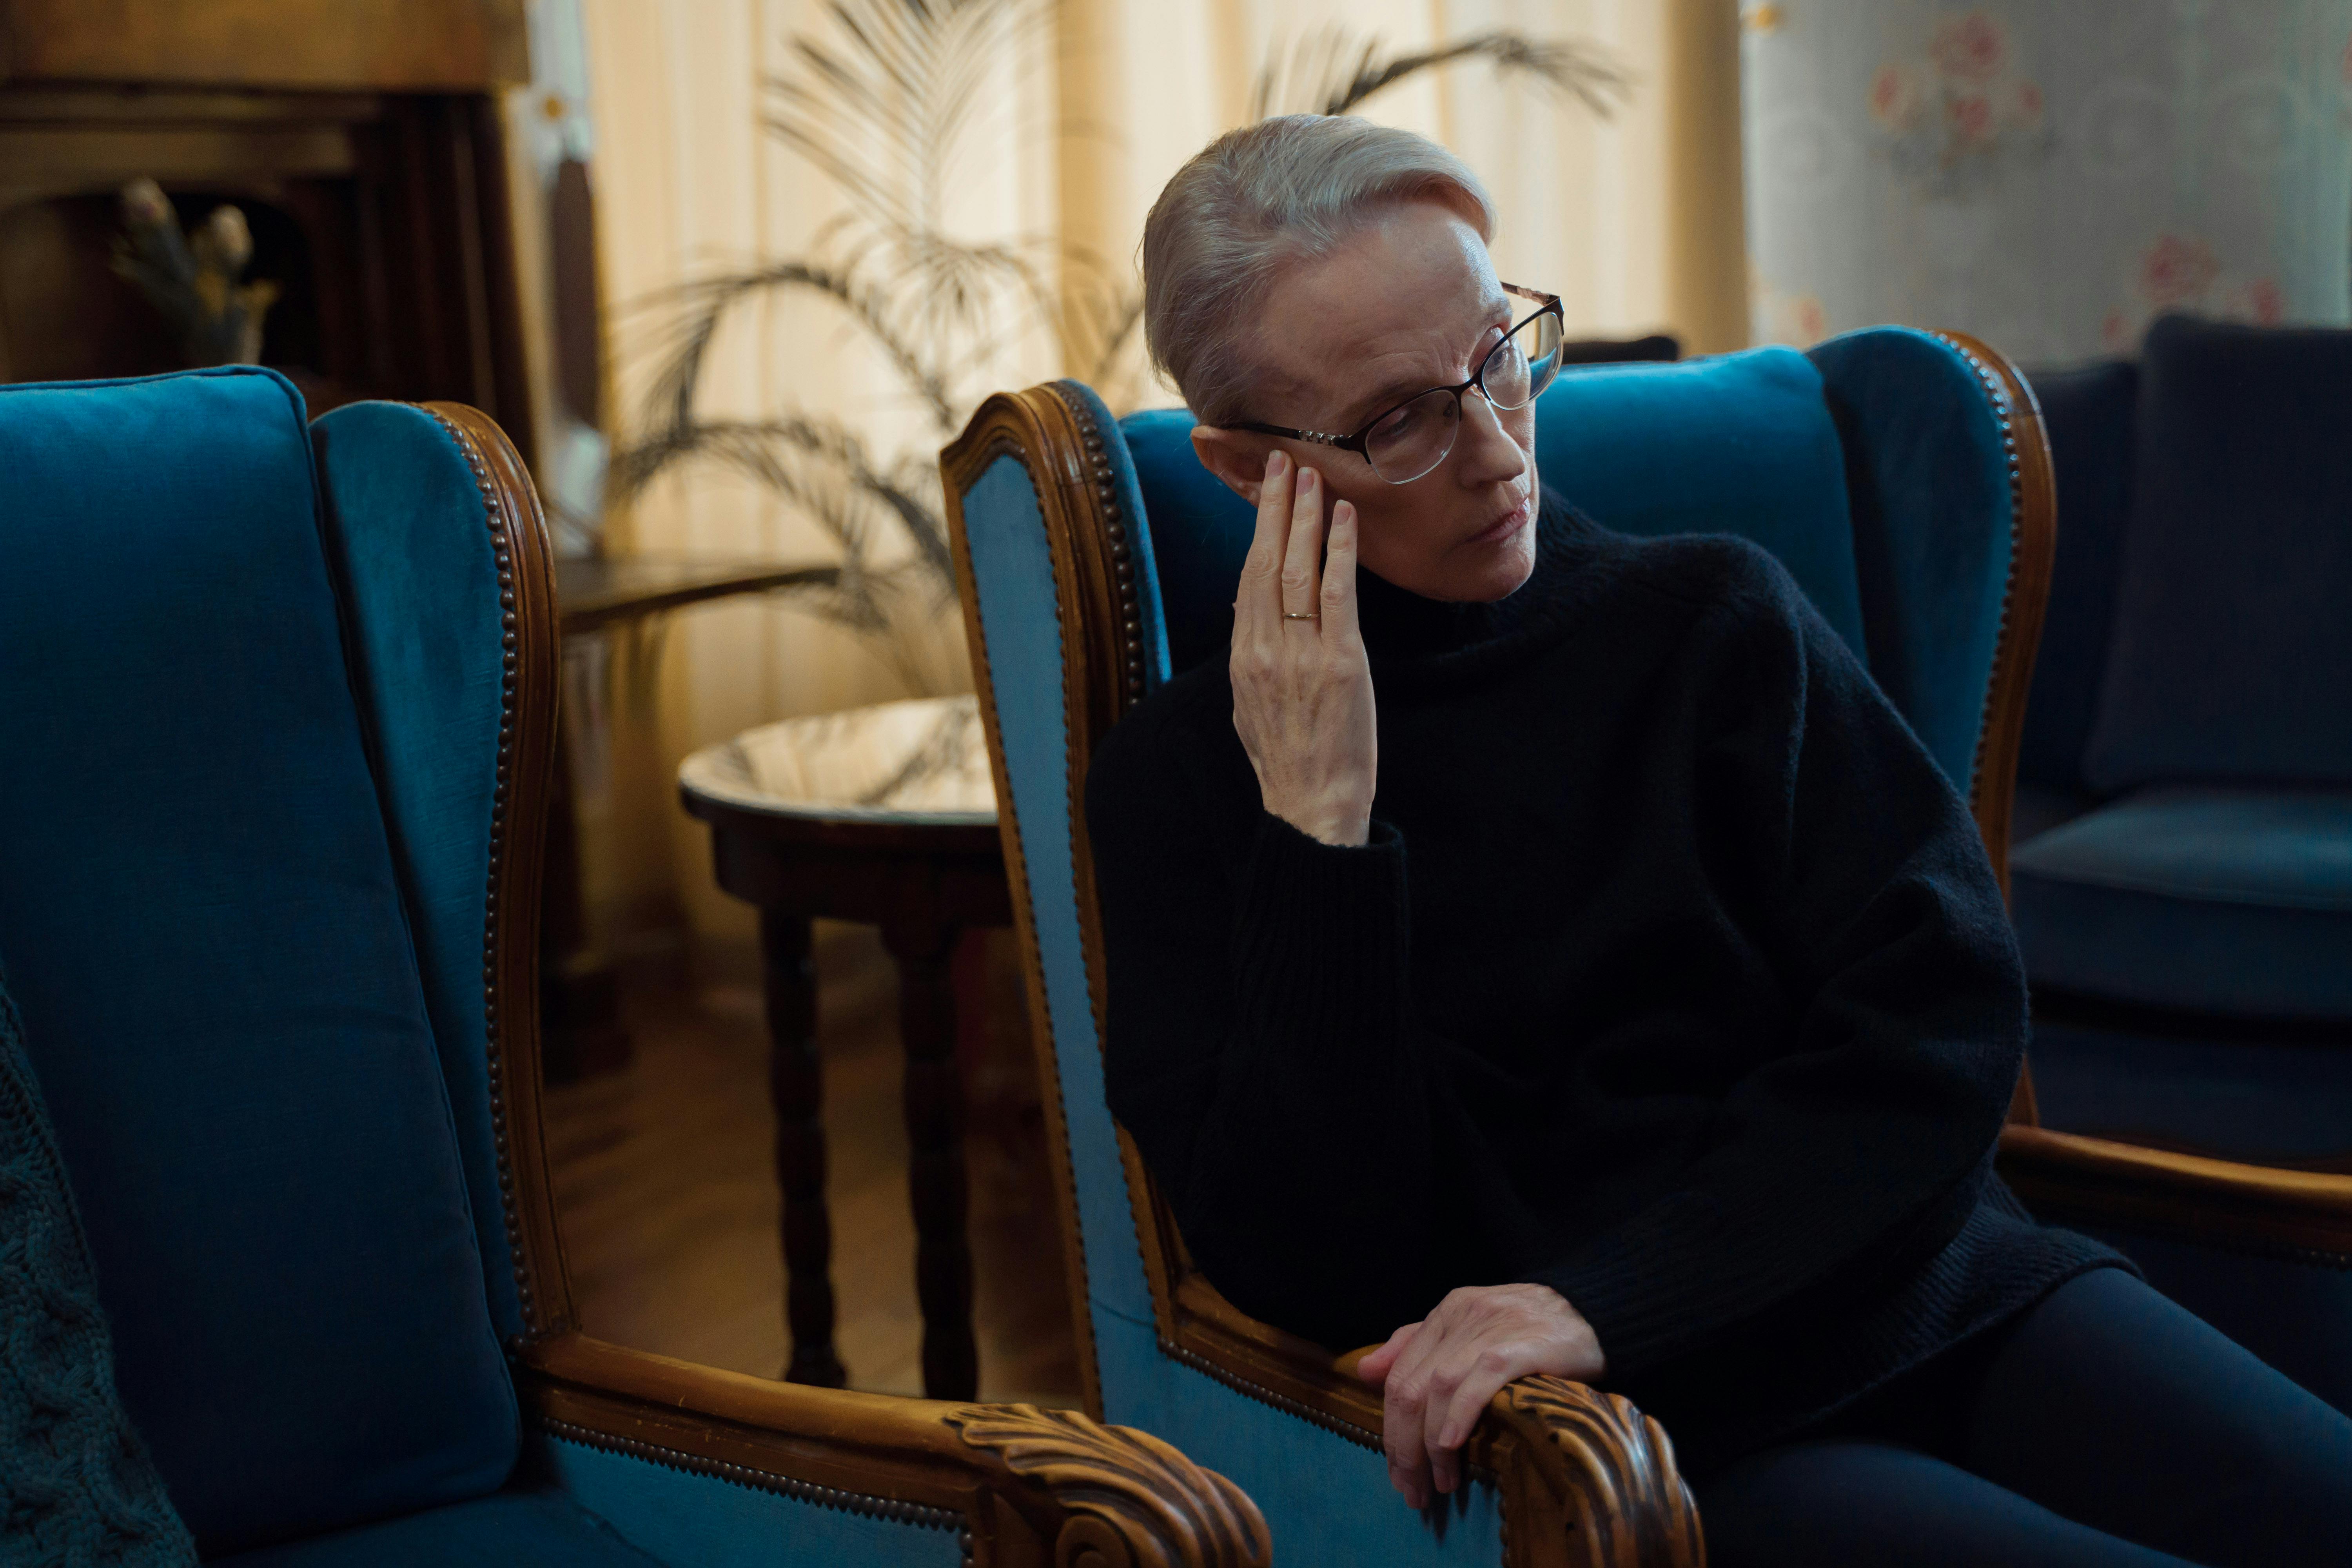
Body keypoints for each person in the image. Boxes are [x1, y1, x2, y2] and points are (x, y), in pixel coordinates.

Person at [1085, 114, 2352, 1568]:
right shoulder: (1183, 792)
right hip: (1652, 1440)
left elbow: (1938, 1027)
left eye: (1502, 351)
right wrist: (1323, 834)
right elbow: (1314, 1263)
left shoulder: (1712, 624)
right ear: (1251, 472)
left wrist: (1616, 1289)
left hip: (1936, 1285)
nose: (1500, 452)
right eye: (1402, 420)